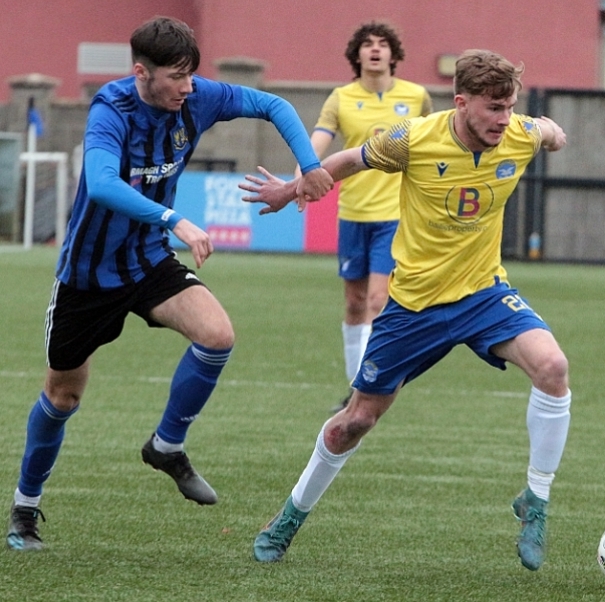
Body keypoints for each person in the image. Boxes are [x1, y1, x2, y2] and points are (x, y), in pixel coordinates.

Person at [5, 16, 333, 552]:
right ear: (142, 73)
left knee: (217, 335)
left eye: (191, 75)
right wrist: (174, 219)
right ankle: (24, 508)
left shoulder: (198, 98)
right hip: (88, 276)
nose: (187, 87)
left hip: (148, 259)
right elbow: (103, 184)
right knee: (63, 396)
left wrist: (309, 163)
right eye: (177, 77)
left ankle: (166, 445)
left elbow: (274, 105)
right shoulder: (111, 111)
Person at [240, 49, 569, 571]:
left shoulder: (520, 133)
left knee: (553, 368)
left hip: (483, 294)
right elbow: (348, 161)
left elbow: (549, 132)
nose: (504, 120)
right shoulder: (412, 139)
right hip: (414, 305)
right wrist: (292, 188)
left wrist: (550, 131)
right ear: (461, 103)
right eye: (493, 108)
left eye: (510, 107)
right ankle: (288, 518)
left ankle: (537, 500)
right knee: (353, 422)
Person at [303, 22, 432, 412]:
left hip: (395, 215)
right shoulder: (341, 98)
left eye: (382, 44)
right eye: (367, 44)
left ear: (394, 54)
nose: (375, 50)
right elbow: (319, 141)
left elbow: (434, 141)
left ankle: (368, 385)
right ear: (356, 54)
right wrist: (300, 175)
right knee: (355, 302)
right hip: (353, 213)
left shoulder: (416, 96)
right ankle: (353, 386)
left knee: (378, 300)